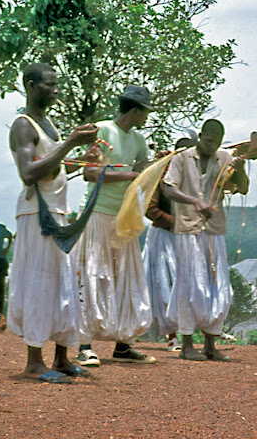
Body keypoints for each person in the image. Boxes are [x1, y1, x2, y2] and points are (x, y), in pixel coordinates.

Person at [8, 63, 98, 383]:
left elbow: (52, 166)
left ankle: (61, 357)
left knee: (63, 285)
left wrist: (81, 160)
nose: (57, 89)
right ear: (32, 86)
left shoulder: (48, 125)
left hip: (57, 214)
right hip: (38, 216)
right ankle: (34, 362)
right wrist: (71, 143)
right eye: (50, 84)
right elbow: (30, 173)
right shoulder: (23, 125)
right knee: (39, 284)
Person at [73, 85, 157, 367]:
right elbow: (90, 172)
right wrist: (129, 174)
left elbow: (144, 171)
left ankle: (124, 345)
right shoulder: (103, 130)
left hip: (125, 217)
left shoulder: (138, 139)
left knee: (127, 278)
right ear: (135, 110)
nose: (146, 117)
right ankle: (84, 345)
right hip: (98, 213)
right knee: (93, 276)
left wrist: (156, 166)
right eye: (145, 112)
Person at [162, 119, 249, 361]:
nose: (212, 146)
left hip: (214, 230)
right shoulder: (181, 158)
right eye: (209, 141)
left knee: (218, 286)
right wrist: (194, 201)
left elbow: (242, 189)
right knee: (190, 286)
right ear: (200, 136)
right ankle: (187, 343)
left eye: (217, 142)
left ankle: (211, 344)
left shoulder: (224, 158)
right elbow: (168, 188)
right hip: (188, 230)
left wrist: (240, 170)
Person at [143, 137, 196, 353]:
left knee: (189, 284)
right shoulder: (162, 178)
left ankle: (187, 334)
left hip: (187, 238)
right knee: (166, 284)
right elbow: (150, 209)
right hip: (164, 238)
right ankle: (172, 335)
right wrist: (176, 223)